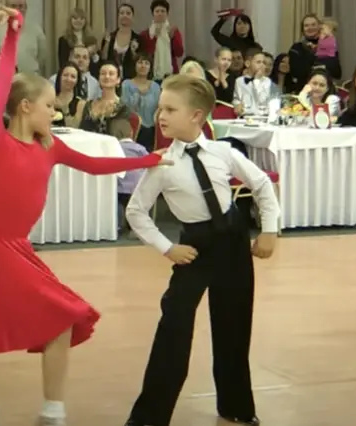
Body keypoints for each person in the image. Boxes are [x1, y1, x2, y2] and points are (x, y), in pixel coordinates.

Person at [0, 7, 171, 426]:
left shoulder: (50, 147)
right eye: (49, 105)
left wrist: (148, 160)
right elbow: (2, 87)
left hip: (15, 247)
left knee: (62, 318)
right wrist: (13, 34)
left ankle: (52, 411)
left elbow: (96, 164)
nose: (55, 111)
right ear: (26, 106)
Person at [123, 74, 281, 426]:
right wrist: (168, 248)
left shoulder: (223, 151)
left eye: (169, 109)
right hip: (194, 248)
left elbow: (261, 184)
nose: (160, 115)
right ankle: (149, 417)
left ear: (196, 116)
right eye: (160, 107)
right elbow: (135, 212)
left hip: (233, 243)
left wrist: (269, 230)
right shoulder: (163, 163)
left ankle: (236, 406)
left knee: (234, 326)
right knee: (174, 326)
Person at [109, 117, 148, 234]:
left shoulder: (113, 148)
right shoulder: (139, 148)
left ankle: (115, 226)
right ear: (131, 132)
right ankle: (136, 228)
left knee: (116, 204)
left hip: (119, 186)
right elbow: (148, 162)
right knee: (136, 208)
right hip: (137, 186)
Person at [233, 50, 274, 116]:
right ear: (247, 64)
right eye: (258, 62)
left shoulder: (266, 81)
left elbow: (262, 100)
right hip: (244, 117)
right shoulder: (239, 81)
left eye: (263, 62)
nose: (262, 65)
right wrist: (237, 105)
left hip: (261, 118)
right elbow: (237, 98)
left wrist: (256, 81)